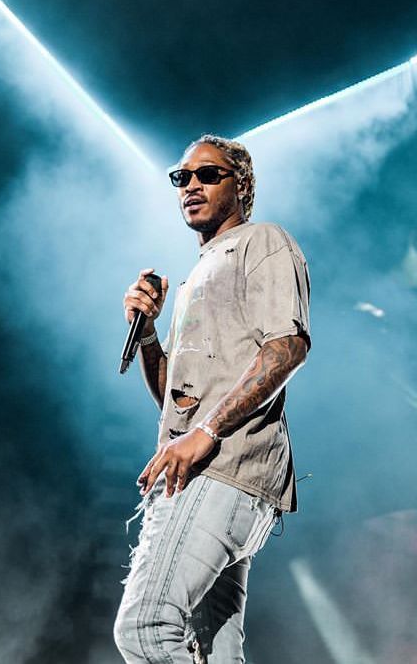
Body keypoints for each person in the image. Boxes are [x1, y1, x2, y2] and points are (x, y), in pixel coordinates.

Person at [114, 133, 311, 663]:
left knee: (146, 628)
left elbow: (288, 345)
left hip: (223, 472)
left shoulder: (262, 241)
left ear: (241, 184)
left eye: (208, 174)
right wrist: (150, 333)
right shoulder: (199, 271)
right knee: (216, 654)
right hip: (203, 471)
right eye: (182, 177)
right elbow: (178, 402)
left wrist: (205, 434)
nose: (191, 185)